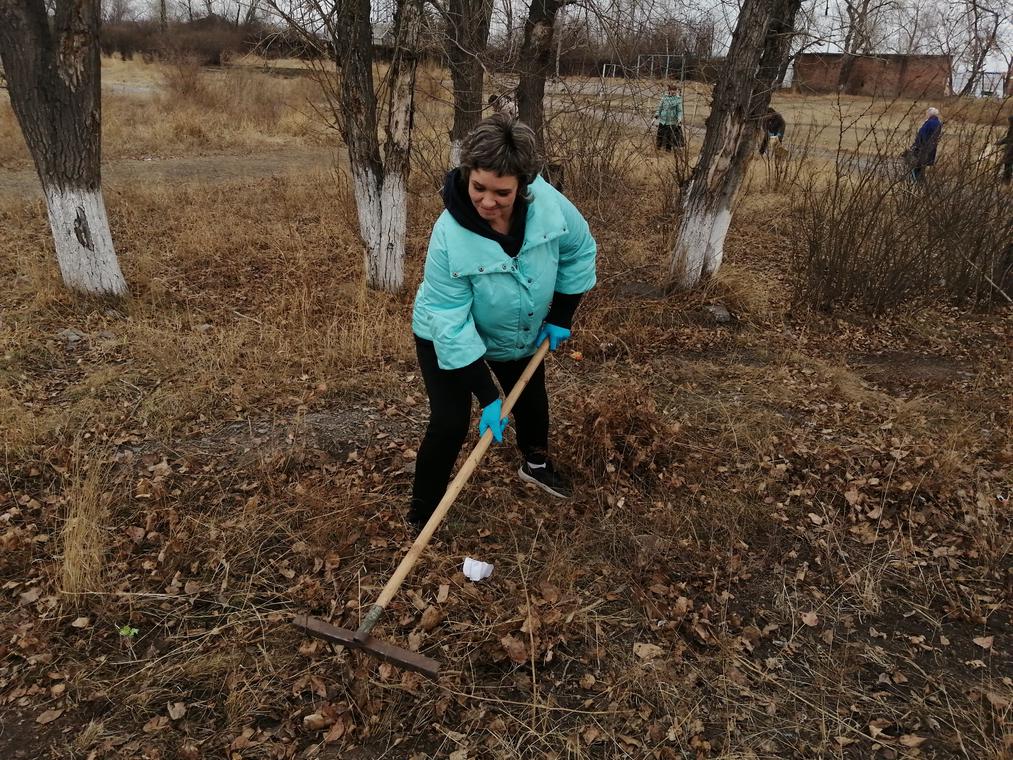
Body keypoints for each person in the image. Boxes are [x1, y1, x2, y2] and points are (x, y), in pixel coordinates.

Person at [408, 114, 597, 531]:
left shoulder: (549, 206)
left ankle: (535, 464)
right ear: (466, 175)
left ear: (525, 185)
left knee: (530, 398)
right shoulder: (449, 236)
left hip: (516, 325)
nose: (488, 201)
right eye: (479, 187)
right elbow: (449, 321)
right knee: (449, 421)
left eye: (502, 192)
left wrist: (562, 314)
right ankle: (423, 513)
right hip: (446, 331)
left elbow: (580, 250)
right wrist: (487, 394)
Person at [906, 107, 942, 183]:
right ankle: (920, 181)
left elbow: (922, 134)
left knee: (917, 164)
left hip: (923, 147)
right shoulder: (938, 123)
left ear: (929, 113)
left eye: (927, 113)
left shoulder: (929, 123)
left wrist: (916, 145)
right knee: (923, 165)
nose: (926, 115)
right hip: (932, 147)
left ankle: (916, 182)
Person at [654, 83, 685, 151]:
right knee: (660, 134)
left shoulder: (678, 99)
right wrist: (656, 115)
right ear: (669, 90)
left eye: (675, 90)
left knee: (669, 136)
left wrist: (679, 118)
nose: (673, 91)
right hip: (663, 120)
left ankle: (668, 150)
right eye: (672, 90)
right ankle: (658, 148)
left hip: (672, 121)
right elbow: (660, 107)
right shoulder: (664, 97)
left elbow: (679, 111)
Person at [996, 114, 1013, 185]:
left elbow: (1010, 139)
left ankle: (1007, 181)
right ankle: (1006, 180)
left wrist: (1001, 142)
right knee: (1007, 164)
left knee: (1008, 164)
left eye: (1010, 121)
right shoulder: (1011, 128)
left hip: (1011, 150)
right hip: (1009, 149)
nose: (1009, 123)